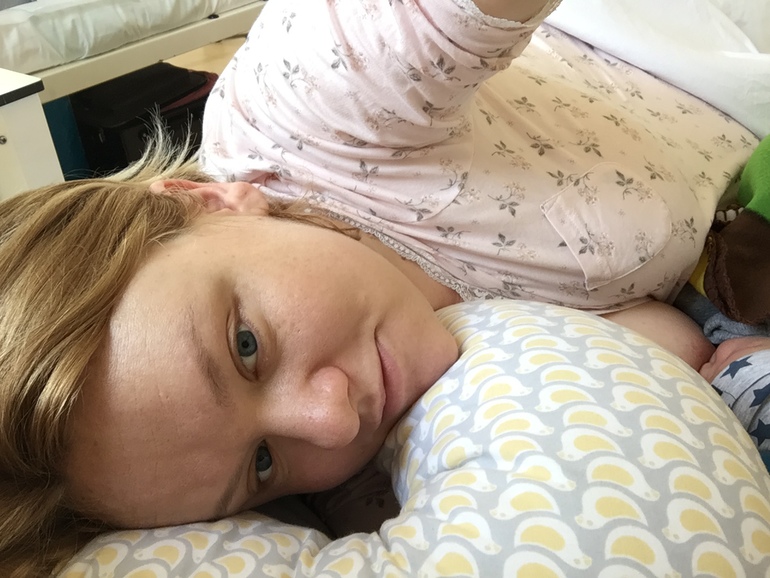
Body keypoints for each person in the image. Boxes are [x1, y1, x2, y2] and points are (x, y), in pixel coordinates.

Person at [0, 0, 762, 575]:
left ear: (204, 202)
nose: (332, 422)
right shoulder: (362, 467)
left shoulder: (315, 105)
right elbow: (656, 340)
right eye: (261, 463)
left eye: (246, 347)